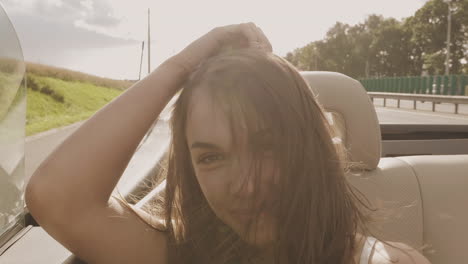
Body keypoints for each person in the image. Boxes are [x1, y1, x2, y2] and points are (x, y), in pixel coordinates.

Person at [25, 22, 431, 264]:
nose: (246, 186)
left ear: (314, 147)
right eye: (212, 157)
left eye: (269, 146)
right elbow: (56, 197)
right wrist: (180, 67)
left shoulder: (390, 261)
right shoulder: (180, 255)